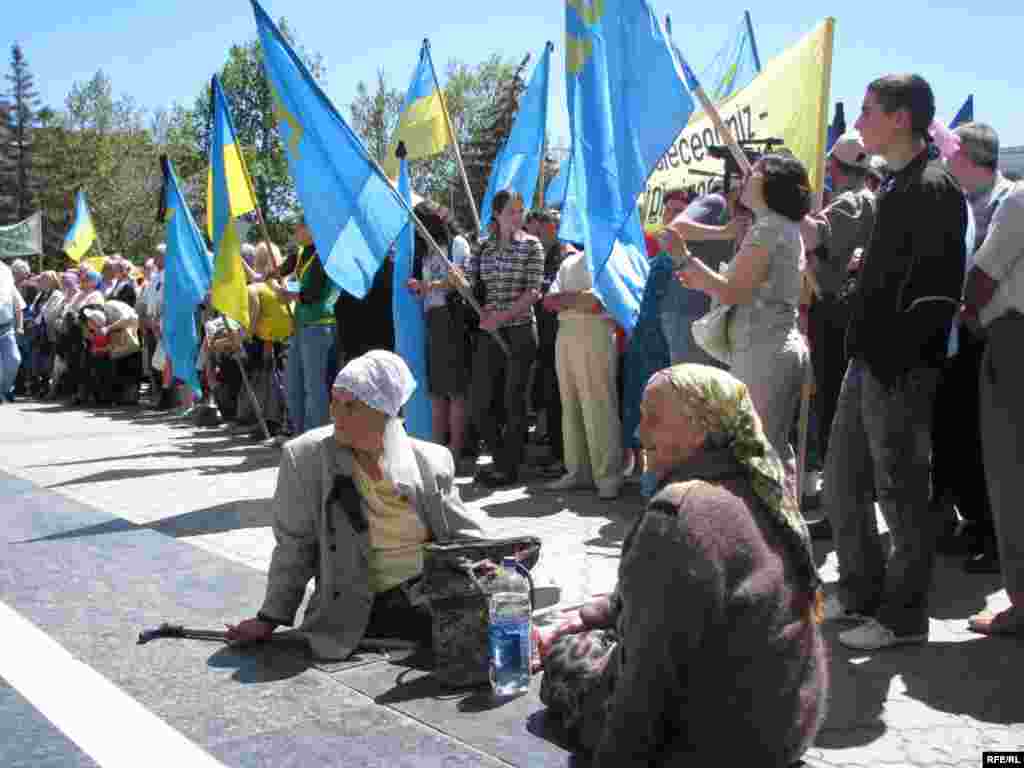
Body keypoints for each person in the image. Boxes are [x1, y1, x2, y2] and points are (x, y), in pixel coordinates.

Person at [536, 364, 827, 766]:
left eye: (653, 420)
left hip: (709, 748)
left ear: (702, 431)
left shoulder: (678, 515)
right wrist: (592, 614)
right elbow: (683, 598)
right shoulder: (759, 489)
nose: (639, 434)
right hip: (781, 733)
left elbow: (648, 678)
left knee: (566, 656)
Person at [824, 74, 967, 650]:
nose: (857, 124)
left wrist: (895, 359)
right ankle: (860, 593)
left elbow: (936, 295)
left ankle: (904, 617)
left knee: (901, 494)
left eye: (867, 111)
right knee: (841, 483)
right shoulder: (896, 186)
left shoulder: (932, 188)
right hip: (868, 364)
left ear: (902, 117)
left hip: (897, 370)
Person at [225, 350, 480, 658]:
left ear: (384, 412)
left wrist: (502, 575)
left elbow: (465, 537)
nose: (335, 414)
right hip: (363, 605)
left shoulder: (430, 461)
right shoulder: (305, 458)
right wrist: (269, 618)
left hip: (429, 591)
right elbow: (294, 545)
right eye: (334, 401)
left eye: (350, 406)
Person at [673, 153, 812, 509]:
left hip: (764, 350)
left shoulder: (768, 228)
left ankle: (772, 536)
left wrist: (686, 258)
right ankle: (782, 533)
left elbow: (735, 291)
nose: (746, 177)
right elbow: (738, 289)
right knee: (771, 447)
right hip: (767, 346)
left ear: (770, 185)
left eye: (756, 173)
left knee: (758, 448)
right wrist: (703, 279)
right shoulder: (777, 226)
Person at [937, 122, 1011, 573]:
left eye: (950, 153)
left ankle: (993, 533)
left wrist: (967, 312)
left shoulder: (1007, 200)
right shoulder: (961, 202)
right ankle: (975, 521)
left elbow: (987, 271)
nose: (945, 161)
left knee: (985, 439)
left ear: (966, 155)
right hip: (957, 333)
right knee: (956, 434)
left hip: (985, 332)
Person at [799, 132, 879, 535]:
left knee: (834, 412)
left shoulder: (850, 203)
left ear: (836, 167)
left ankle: (839, 510)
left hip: (836, 314)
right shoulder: (871, 201)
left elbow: (812, 237)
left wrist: (787, 207)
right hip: (849, 313)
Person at [959, 145, 1024, 635]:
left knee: (1010, 474)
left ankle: (1021, 605)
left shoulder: (1020, 200)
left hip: (1014, 341)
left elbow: (982, 275)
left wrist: (972, 321)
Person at [460, 190, 545, 488]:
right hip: (489, 332)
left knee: (514, 401)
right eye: (511, 210)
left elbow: (533, 292)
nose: (517, 216)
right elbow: (469, 281)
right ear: (496, 214)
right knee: (481, 403)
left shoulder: (532, 246)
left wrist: (502, 317)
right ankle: (499, 458)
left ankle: (509, 468)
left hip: (520, 330)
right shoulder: (483, 248)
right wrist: (457, 281)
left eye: (520, 211)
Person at [542, 244, 623, 499]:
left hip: (595, 333)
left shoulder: (610, 254)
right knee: (571, 404)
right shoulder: (569, 261)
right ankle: (578, 471)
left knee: (598, 404)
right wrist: (577, 299)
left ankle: (608, 476)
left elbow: (598, 302)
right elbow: (548, 301)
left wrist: (567, 299)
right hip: (566, 333)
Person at [405, 201, 472, 466]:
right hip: (432, 319)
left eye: (419, 226)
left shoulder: (457, 244)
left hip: (452, 319)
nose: (418, 232)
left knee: (455, 389)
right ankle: (437, 447)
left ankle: (455, 449)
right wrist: (418, 287)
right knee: (436, 390)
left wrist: (428, 285)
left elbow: (462, 280)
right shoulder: (426, 253)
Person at [275, 215, 339, 435]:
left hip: (320, 325)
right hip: (301, 325)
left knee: (315, 388)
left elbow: (313, 293)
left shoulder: (325, 254)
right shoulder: (301, 254)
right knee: (293, 384)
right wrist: (281, 287)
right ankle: (299, 434)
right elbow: (283, 275)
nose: (295, 232)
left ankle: (315, 438)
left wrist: (290, 295)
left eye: (298, 227)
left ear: (312, 229)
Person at [659, 184, 732, 366]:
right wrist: (724, 232)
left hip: (711, 313)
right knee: (691, 387)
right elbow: (675, 229)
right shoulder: (716, 201)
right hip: (688, 312)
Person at [81, 300, 143, 406]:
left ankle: (131, 396)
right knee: (119, 367)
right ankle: (121, 397)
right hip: (122, 338)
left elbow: (130, 318)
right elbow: (112, 346)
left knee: (131, 366)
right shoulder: (102, 318)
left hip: (132, 334)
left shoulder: (111, 307)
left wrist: (108, 328)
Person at [0, 259, 26, 402]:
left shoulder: (6, 276)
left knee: (14, 359)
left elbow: (18, 305)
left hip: (6, 327)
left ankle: (3, 390)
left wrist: (20, 326)